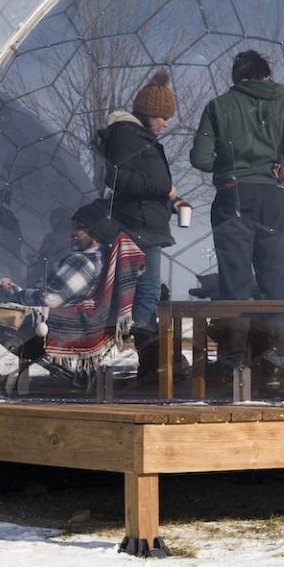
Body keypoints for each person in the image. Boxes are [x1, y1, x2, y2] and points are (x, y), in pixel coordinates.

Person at [189, 49, 284, 371]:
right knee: (273, 281)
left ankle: (234, 360)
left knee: (234, 284)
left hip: (232, 196)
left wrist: (224, 162)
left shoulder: (218, 106)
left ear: (237, 78)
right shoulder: (281, 100)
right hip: (271, 198)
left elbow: (199, 159)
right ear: (266, 75)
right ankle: (274, 358)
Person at [0, 201, 115, 393]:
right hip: (49, 323)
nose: (72, 232)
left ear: (95, 230)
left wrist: (14, 293)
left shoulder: (83, 261)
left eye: (79, 227)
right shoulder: (104, 258)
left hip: (36, 325)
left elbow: (50, 298)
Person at [94, 69, 192, 382]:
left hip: (147, 225)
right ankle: (150, 364)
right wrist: (163, 188)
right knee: (147, 296)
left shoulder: (138, 136)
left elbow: (146, 183)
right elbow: (118, 178)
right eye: (163, 117)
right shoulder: (126, 134)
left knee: (152, 295)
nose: (166, 123)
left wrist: (172, 201)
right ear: (149, 113)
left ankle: (156, 364)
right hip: (139, 229)